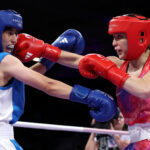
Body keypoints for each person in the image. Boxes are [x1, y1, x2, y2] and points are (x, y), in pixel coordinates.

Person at [15, 13, 150, 149]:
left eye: (119, 37)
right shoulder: (119, 65)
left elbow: (143, 89)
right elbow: (79, 60)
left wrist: (108, 70)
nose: (114, 43)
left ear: (138, 38)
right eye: (114, 38)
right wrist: (43, 49)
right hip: (136, 143)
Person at [0, 10, 118, 150]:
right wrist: (90, 96)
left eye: (16, 33)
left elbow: (25, 78)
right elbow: (48, 85)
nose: (14, 39)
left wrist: (51, 54)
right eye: (9, 33)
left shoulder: (6, 65)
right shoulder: (6, 61)